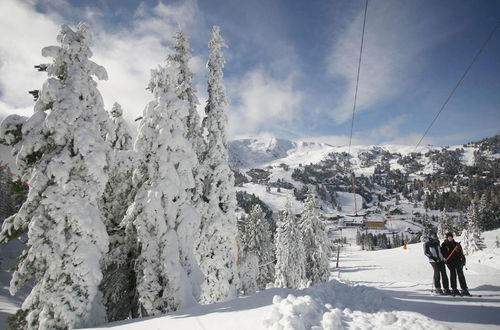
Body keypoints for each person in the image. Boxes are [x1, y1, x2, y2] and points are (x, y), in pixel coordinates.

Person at [441, 232, 470, 296]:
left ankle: (464, 289)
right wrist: (445, 258)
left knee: (460, 274)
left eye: (451, 237)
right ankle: (454, 289)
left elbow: (461, 253)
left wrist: (463, 260)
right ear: (447, 237)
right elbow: (443, 253)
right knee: (453, 274)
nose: (450, 238)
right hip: (450, 262)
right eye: (448, 237)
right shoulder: (444, 244)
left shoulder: (457, 244)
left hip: (458, 261)